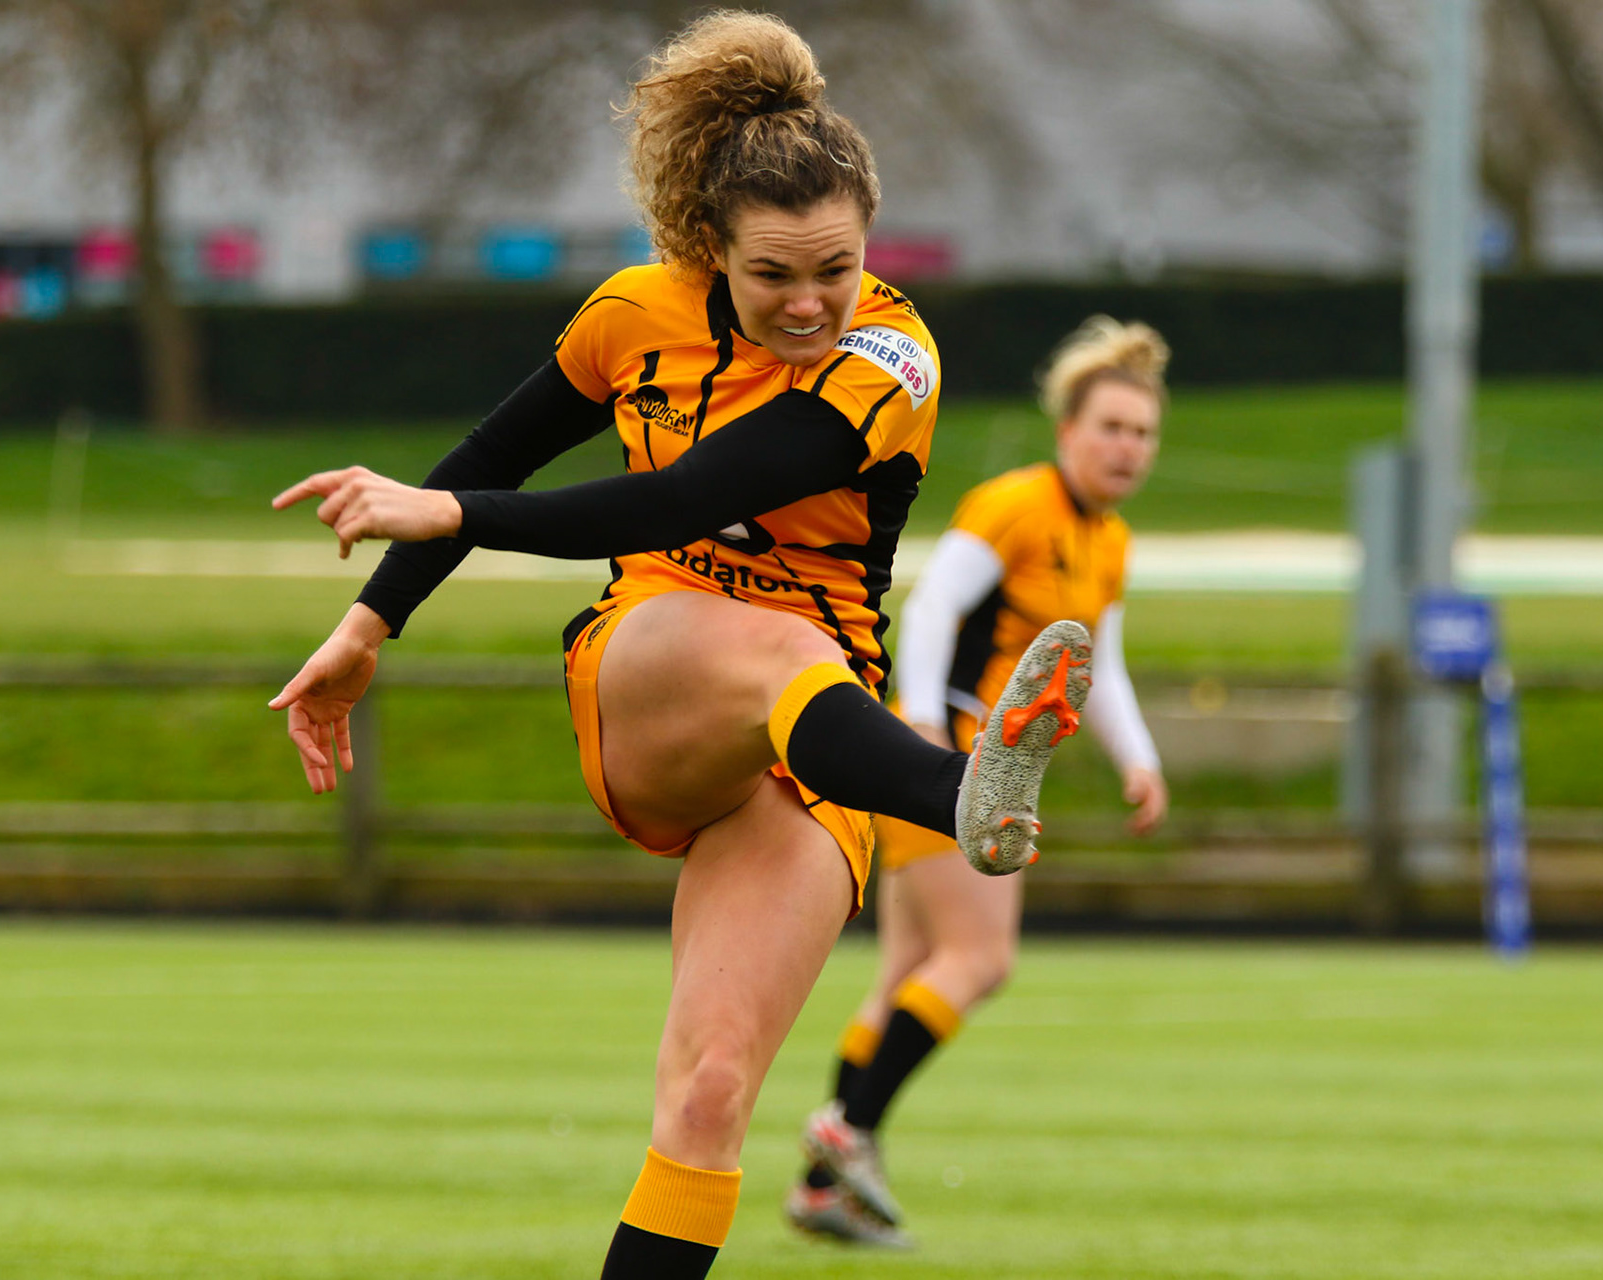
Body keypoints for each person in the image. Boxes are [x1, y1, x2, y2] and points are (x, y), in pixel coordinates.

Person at [266, 13, 1091, 1278]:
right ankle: (958, 787)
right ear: (712, 245)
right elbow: (506, 462)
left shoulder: (892, 353)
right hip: (652, 670)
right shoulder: (632, 313)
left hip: (821, 728)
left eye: (837, 267)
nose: (810, 301)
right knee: (777, 651)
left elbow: (698, 486)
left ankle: (953, 787)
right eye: (774, 274)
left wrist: (454, 513)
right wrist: (368, 621)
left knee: (710, 1093)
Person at [787, 316, 1170, 1247]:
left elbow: (1102, 664)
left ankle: (824, 1189)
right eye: (1111, 427)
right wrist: (921, 724)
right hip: (953, 756)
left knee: (910, 972)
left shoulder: (1109, 539)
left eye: (1143, 432)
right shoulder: (1015, 505)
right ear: (1067, 431)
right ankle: (849, 1128)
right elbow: (931, 608)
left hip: (964, 759)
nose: (1127, 447)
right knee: (980, 960)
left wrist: (1139, 759)